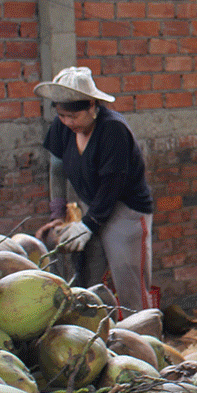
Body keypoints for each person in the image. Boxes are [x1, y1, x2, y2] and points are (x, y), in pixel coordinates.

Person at [33, 66, 154, 312]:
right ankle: (98, 332)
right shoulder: (62, 127)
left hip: (125, 209)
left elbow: (112, 185)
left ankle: (141, 331)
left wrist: (88, 225)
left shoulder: (113, 129)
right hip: (92, 204)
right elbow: (57, 169)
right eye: (62, 116)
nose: (68, 122)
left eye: (74, 116)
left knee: (128, 283)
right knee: (88, 280)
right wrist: (58, 214)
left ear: (91, 106)